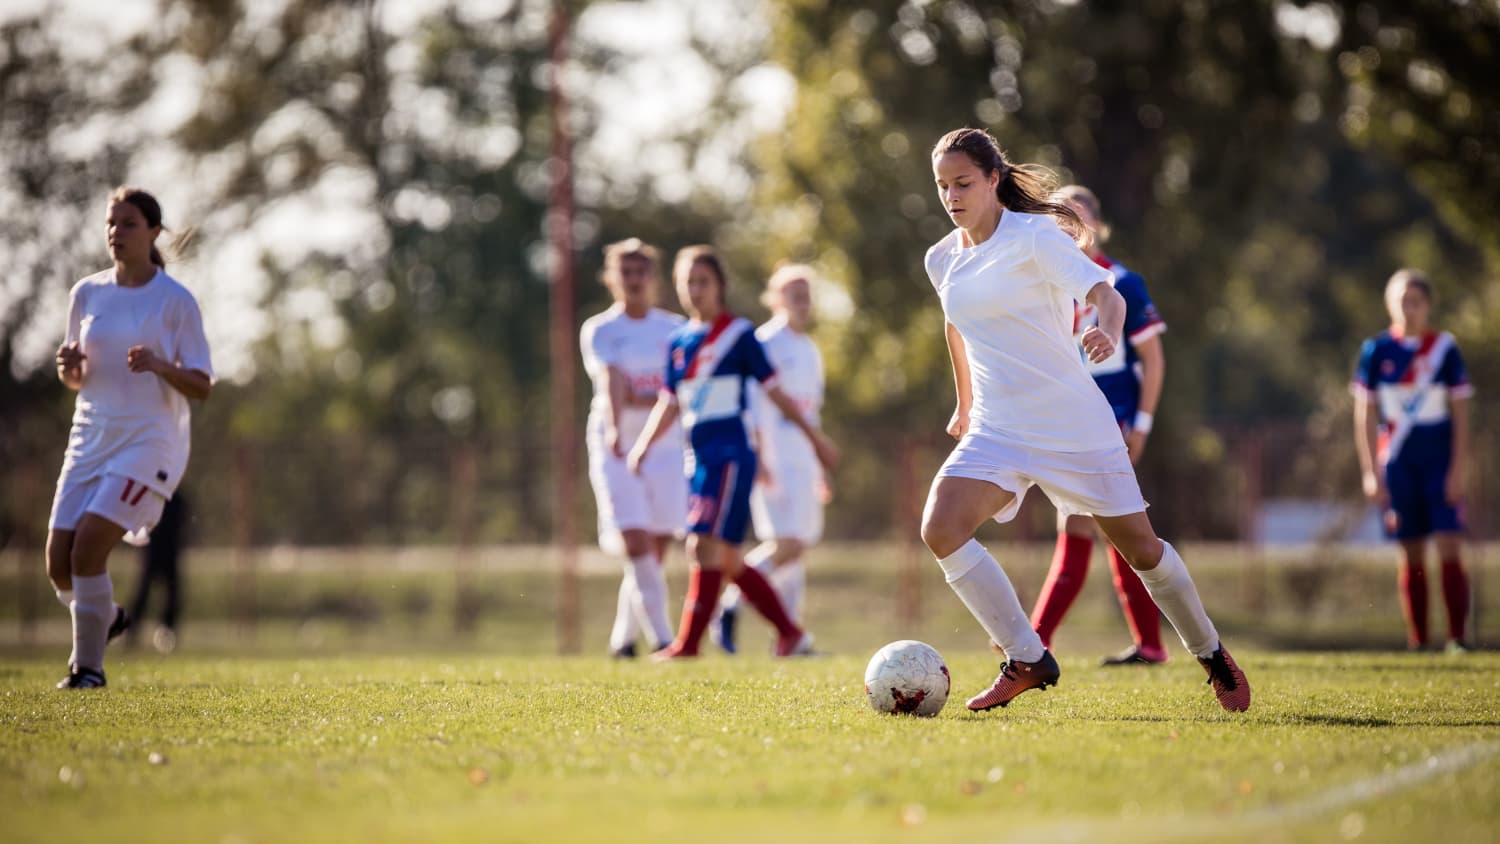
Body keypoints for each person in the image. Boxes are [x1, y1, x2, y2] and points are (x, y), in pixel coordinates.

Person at [919, 128, 1249, 712]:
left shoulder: (1036, 237)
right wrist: (964, 403)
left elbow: (1108, 294)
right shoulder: (941, 257)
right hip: (998, 428)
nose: (952, 195)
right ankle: (1026, 657)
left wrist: (1106, 330)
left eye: (963, 182)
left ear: (994, 179)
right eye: (943, 185)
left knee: (1142, 551)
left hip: (1073, 423)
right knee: (941, 528)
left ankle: (1210, 651)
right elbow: (956, 326)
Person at [628, 246, 838, 660]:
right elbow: (669, 403)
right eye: (688, 282)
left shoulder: (738, 336)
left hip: (732, 455)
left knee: (701, 545)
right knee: (725, 557)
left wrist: (815, 440)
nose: (695, 290)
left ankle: (688, 645)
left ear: (720, 286)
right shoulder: (679, 343)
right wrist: (642, 446)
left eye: (703, 281)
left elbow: (775, 393)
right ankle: (790, 634)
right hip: (700, 458)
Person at [48, 186, 213, 689]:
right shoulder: (87, 294)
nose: (117, 233)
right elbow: (77, 378)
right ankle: (108, 616)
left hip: (149, 445)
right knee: (59, 567)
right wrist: (69, 370)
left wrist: (161, 365)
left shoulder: (175, 302)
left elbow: (202, 384)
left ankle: (87, 669)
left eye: (129, 224)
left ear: (154, 232)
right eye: (111, 224)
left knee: (89, 551)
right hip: (89, 438)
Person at [1027, 185, 1170, 666]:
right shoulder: (1047, 284)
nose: (1069, 221)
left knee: (1085, 525)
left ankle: (1033, 639)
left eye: (1079, 212)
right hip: (1066, 421)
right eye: (1059, 214)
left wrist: (1143, 425)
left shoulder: (1122, 282)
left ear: (1097, 224)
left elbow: (1153, 358)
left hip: (1113, 422)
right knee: (1105, 529)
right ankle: (1148, 645)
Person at [1352, 269, 1473, 653]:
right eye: (1402, 301)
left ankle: (1458, 638)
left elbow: (1462, 412)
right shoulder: (1377, 351)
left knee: (1450, 544)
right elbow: (1365, 414)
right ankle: (1419, 641)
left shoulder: (1444, 350)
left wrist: (1459, 467)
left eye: (1416, 301)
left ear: (1428, 305)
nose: (1409, 308)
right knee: (1411, 549)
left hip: (1439, 463)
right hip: (1399, 466)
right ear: (1390, 305)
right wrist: (1371, 471)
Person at [715, 264, 829, 654]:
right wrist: (759, 457)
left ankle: (790, 639)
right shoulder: (765, 343)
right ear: (776, 298)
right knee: (787, 544)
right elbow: (752, 406)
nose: (801, 301)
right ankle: (730, 605)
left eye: (806, 293)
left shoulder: (810, 350)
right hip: (775, 456)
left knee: (798, 549)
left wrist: (818, 467)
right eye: (793, 293)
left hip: (803, 460)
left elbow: (811, 411)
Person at [579, 238, 685, 658]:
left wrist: (656, 402)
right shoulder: (602, 329)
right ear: (612, 278)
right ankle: (665, 640)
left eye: (641, 271)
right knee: (635, 540)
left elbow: (676, 391)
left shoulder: (674, 328)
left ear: (652, 278)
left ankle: (622, 641)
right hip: (618, 444)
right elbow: (613, 382)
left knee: (656, 545)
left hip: (665, 446)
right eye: (626, 272)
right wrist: (613, 427)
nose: (634, 280)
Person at [127, 490, 189, 654]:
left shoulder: (176, 498)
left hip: (170, 554)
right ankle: (131, 631)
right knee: (143, 594)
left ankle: (167, 633)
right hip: (154, 554)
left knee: (172, 596)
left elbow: (184, 527)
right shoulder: (152, 496)